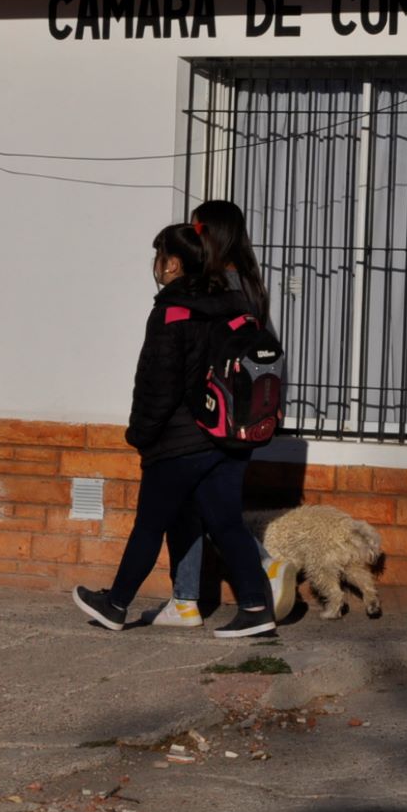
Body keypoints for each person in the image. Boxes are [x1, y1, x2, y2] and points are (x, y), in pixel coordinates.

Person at [72, 223, 279, 638]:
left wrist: (141, 435)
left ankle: (115, 604)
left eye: (158, 257)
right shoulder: (234, 305)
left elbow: (157, 385)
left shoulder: (171, 313)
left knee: (150, 524)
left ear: (173, 263)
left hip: (180, 440)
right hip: (228, 436)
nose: (156, 266)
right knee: (226, 523)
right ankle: (257, 609)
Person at [151, 200, 299, 628]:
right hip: (248, 414)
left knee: (197, 506)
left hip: (212, 415)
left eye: (197, 233)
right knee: (210, 506)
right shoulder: (252, 283)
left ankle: (194, 598)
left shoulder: (214, 286)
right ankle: (200, 596)